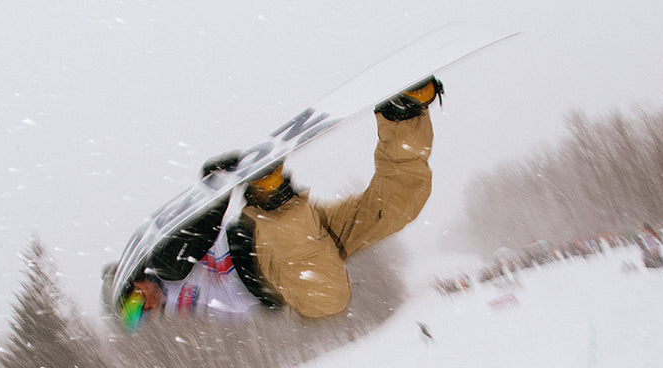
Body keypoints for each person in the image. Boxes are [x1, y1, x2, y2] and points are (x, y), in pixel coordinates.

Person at [118, 76, 442, 326]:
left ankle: (272, 197)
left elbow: (198, 232)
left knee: (328, 299)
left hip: (268, 253)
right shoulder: (175, 298)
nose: (144, 309)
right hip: (293, 252)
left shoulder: (167, 266)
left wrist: (216, 186)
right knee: (395, 207)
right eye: (135, 319)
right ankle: (403, 112)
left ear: (137, 280)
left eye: (134, 304)